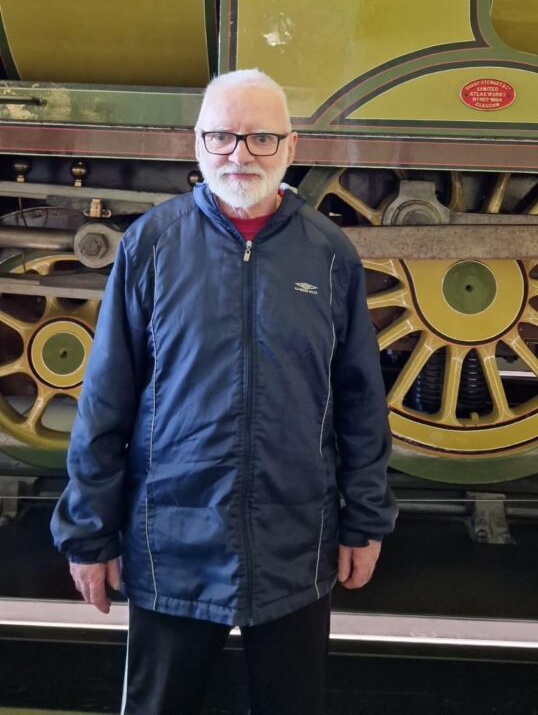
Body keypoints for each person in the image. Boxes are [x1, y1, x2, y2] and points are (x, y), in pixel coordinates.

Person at [51, 68, 397, 715]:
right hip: (171, 544)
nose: (239, 154)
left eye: (260, 138)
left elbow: (359, 401)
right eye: (222, 137)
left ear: (291, 148)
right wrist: (87, 533)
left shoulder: (329, 254)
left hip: (295, 546)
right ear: (197, 145)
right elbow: (105, 397)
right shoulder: (151, 245)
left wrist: (367, 520)